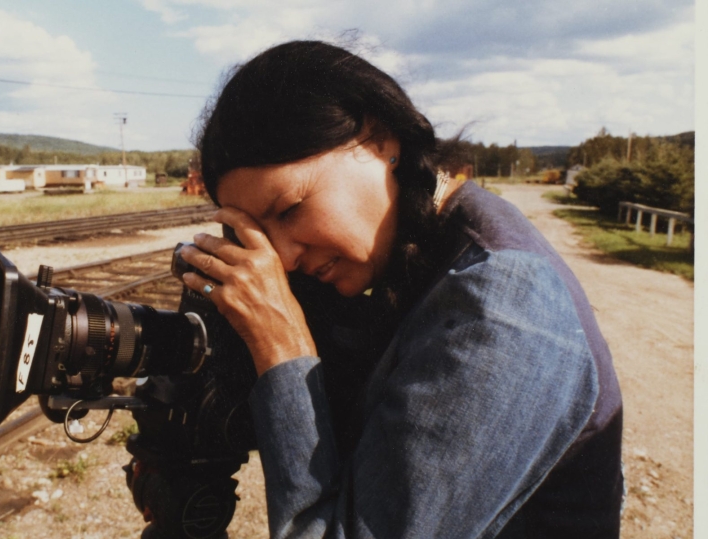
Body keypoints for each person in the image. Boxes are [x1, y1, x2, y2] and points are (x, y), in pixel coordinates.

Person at [177, 41, 623, 538]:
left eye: (290, 209)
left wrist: (281, 348)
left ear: (379, 140)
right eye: (257, 233)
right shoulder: (435, 257)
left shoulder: (500, 303)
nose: (282, 258)